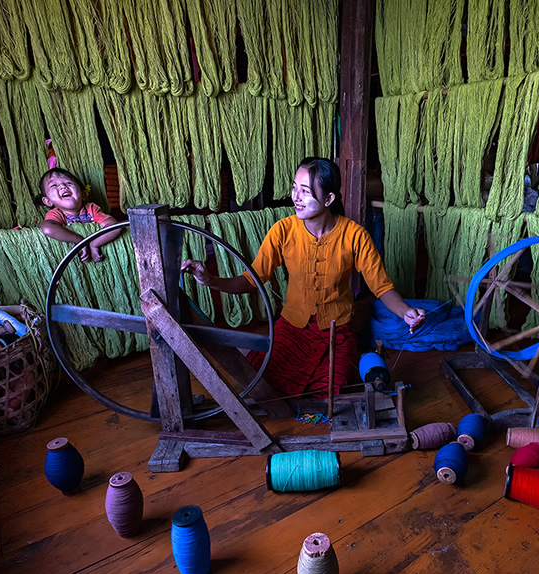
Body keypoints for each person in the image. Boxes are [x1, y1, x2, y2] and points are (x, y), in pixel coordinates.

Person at [181, 157, 426, 397]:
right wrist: (210, 280)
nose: (296, 197)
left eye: (306, 191)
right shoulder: (282, 231)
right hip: (292, 328)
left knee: (334, 388)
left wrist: (405, 311)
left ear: (329, 199)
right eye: (294, 188)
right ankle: (255, 351)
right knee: (261, 379)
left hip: (336, 331)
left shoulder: (355, 235)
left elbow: (381, 286)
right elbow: (251, 280)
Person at [37, 168, 123, 262]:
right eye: (54, 185)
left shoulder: (91, 209)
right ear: (48, 201)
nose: (63, 186)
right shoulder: (56, 214)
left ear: (83, 195)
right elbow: (48, 228)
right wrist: (80, 241)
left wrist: (94, 244)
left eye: (69, 183)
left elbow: (115, 227)